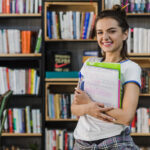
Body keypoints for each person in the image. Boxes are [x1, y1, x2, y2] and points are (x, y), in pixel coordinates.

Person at [71, 4, 141, 150]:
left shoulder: (131, 68)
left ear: (125, 34)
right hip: (81, 143)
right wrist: (87, 108)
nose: (105, 37)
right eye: (100, 32)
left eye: (112, 31)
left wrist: (89, 105)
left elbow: (126, 117)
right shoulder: (89, 64)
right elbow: (75, 108)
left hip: (113, 142)